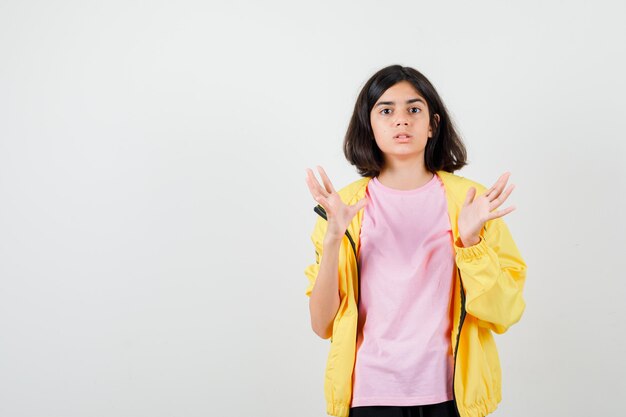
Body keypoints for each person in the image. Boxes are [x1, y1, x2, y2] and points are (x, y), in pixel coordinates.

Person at [303, 65, 527, 417]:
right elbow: (322, 324)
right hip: (370, 395)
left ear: (432, 124)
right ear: (369, 124)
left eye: (414, 109)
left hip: (452, 395)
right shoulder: (342, 209)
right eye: (386, 110)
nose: (401, 120)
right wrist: (333, 240)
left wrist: (471, 244)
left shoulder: (472, 204)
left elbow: (505, 312)